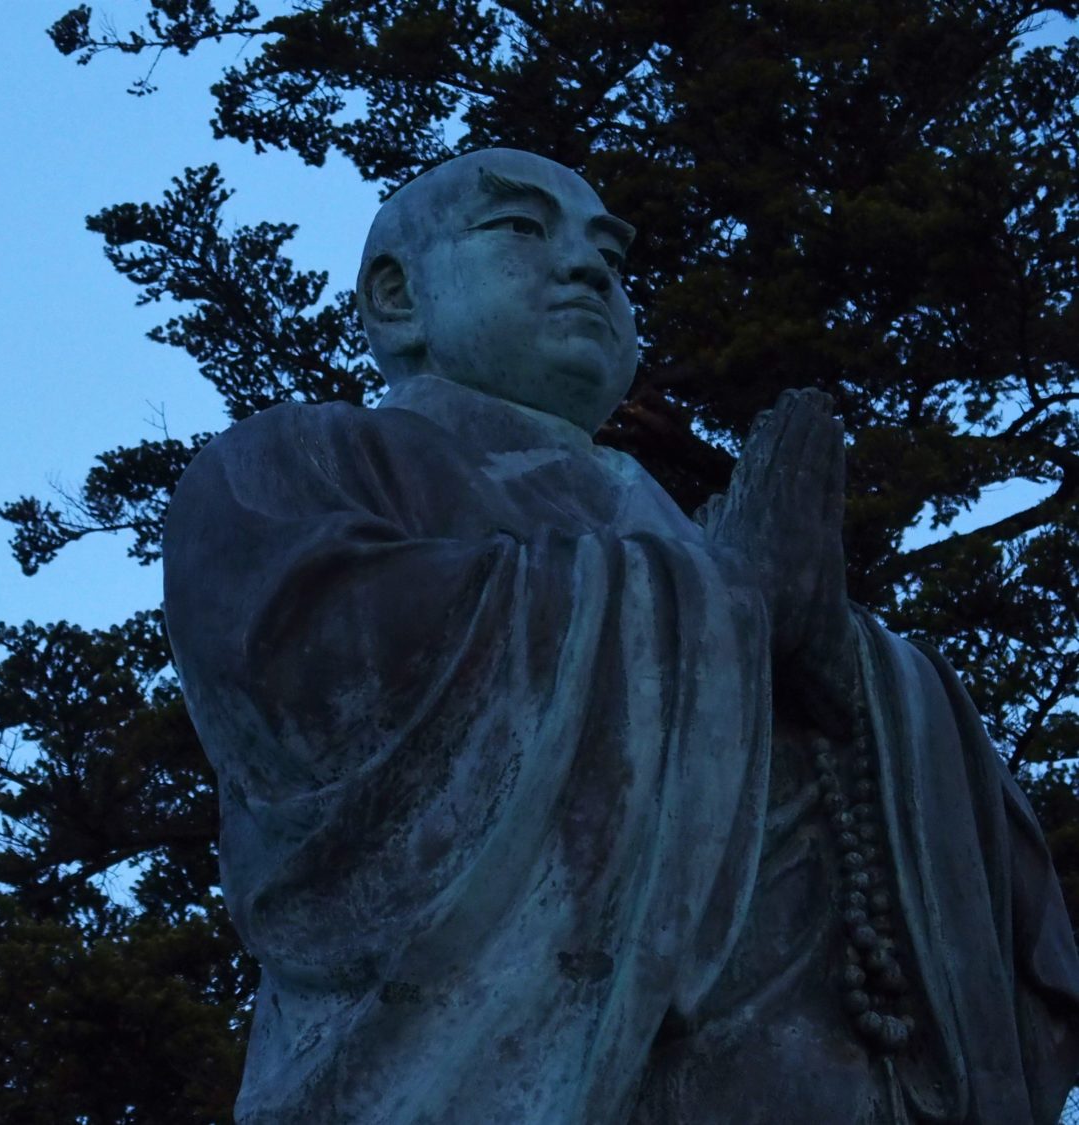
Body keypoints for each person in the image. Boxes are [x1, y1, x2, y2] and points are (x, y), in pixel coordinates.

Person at [161, 148, 1079, 1123]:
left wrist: (858, 666)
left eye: (607, 252)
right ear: (396, 299)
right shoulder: (295, 464)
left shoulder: (674, 528)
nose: (587, 268)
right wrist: (730, 604)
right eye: (521, 228)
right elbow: (320, 669)